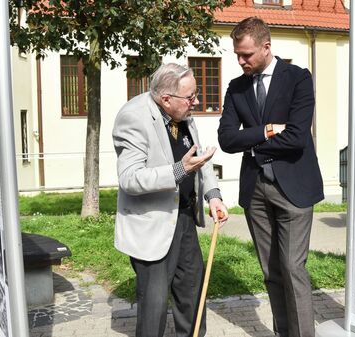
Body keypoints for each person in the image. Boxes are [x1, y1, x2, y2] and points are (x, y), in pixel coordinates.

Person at [217, 16, 324, 337]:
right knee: (271, 271)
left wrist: (250, 142)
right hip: (255, 191)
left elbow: (296, 138)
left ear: (266, 47)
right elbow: (225, 139)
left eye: (246, 55)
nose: (240, 61)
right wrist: (265, 131)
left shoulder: (297, 79)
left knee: (293, 268)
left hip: (294, 188)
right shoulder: (236, 87)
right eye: (237, 54)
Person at [112, 63, 228, 337]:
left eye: (195, 94)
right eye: (191, 97)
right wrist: (180, 170)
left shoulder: (183, 111)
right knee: (153, 310)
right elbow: (129, 178)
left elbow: (199, 158)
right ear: (166, 99)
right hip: (152, 225)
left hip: (185, 219)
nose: (196, 102)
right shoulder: (133, 118)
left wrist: (213, 195)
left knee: (192, 296)